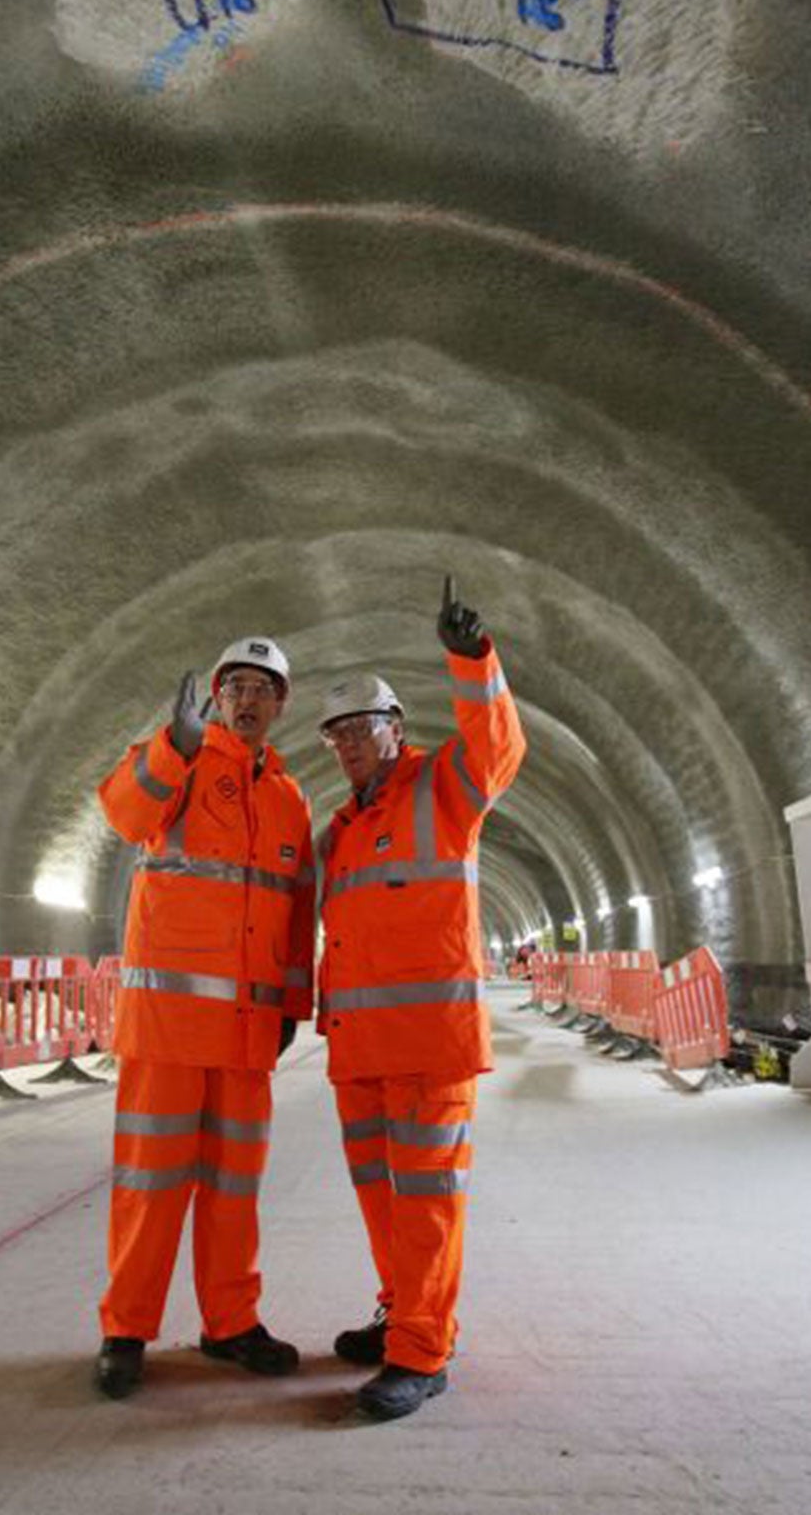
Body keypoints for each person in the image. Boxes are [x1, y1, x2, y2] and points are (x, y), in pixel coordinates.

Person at [314, 578, 526, 1420]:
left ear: (396, 730)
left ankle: (421, 1354)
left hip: (432, 1049)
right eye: (337, 735)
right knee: (382, 1200)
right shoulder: (341, 831)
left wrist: (473, 662)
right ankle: (402, 1311)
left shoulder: (446, 789)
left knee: (428, 1205)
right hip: (360, 1054)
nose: (350, 745)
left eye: (362, 728)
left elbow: (499, 748)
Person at [91, 636, 316, 1399]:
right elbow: (124, 815)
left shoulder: (289, 797)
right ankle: (126, 1330)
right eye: (237, 687)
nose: (248, 700)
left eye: (264, 689)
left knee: (233, 1189)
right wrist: (171, 746)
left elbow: (296, 913)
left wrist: (292, 1002)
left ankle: (231, 1324)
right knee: (152, 1183)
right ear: (218, 697)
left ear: (282, 704)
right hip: (168, 1028)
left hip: (248, 1036)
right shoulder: (178, 763)